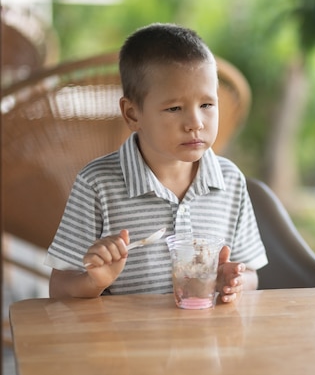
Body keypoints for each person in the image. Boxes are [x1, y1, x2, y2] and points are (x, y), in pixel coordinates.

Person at [45, 23, 267, 302]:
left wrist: (228, 281)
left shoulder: (230, 180)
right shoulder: (97, 184)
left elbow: (252, 275)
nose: (195, 123)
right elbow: (59, 288)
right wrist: (94, 281)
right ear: (132, 114)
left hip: (207, 343)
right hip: (128, 343)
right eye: (174, 108)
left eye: (207, 105)